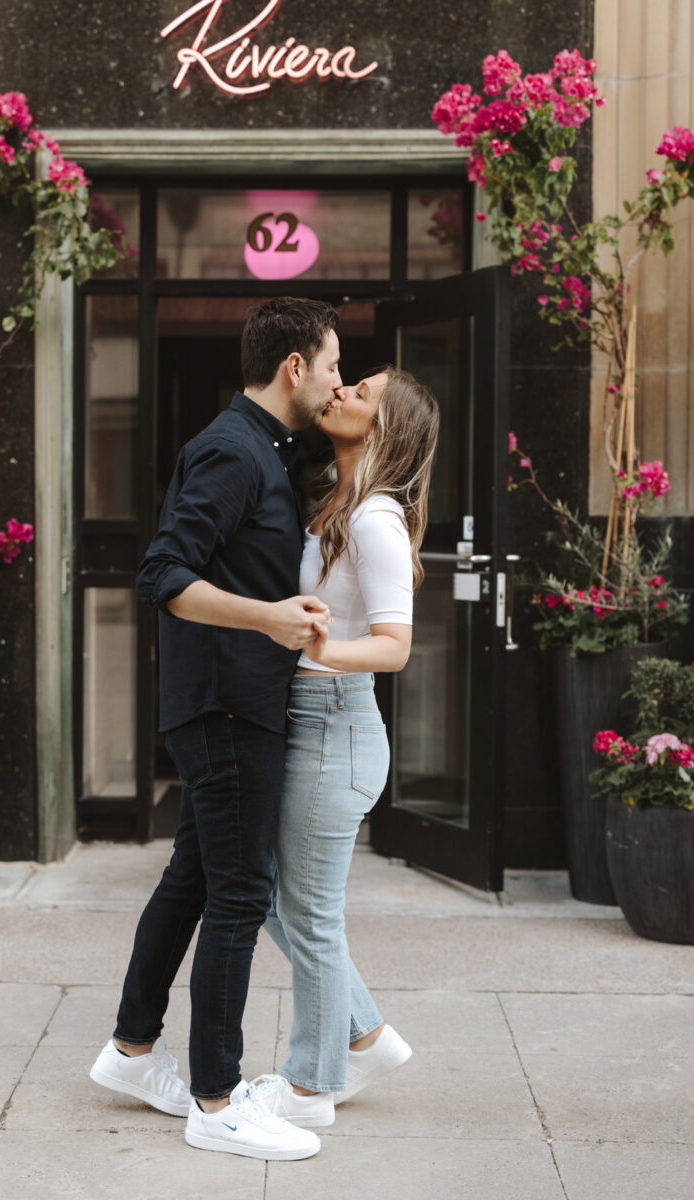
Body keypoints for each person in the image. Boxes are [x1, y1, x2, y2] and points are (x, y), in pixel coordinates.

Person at [89, 297, 342, 1161]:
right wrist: (266, 618)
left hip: (233, 700)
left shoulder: (263, 450)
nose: (339, 380)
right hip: (230, 703)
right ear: (295, 366)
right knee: (241, 893)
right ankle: (216, 1098)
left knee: (194, 881)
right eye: (334, 363)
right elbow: (161, 570)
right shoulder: (233, 451)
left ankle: (130, 1052)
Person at [252, 366, 440, 1128]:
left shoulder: (374, 519)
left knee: (311, 915)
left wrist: (311, 644)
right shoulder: (341, 502)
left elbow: (393, 647)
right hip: (315, 720)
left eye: (359, 393)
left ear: (383, 428)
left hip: (335, 723)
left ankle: (310, 1086)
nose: (341, 393)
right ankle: (363, 1034)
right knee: (271, 896)